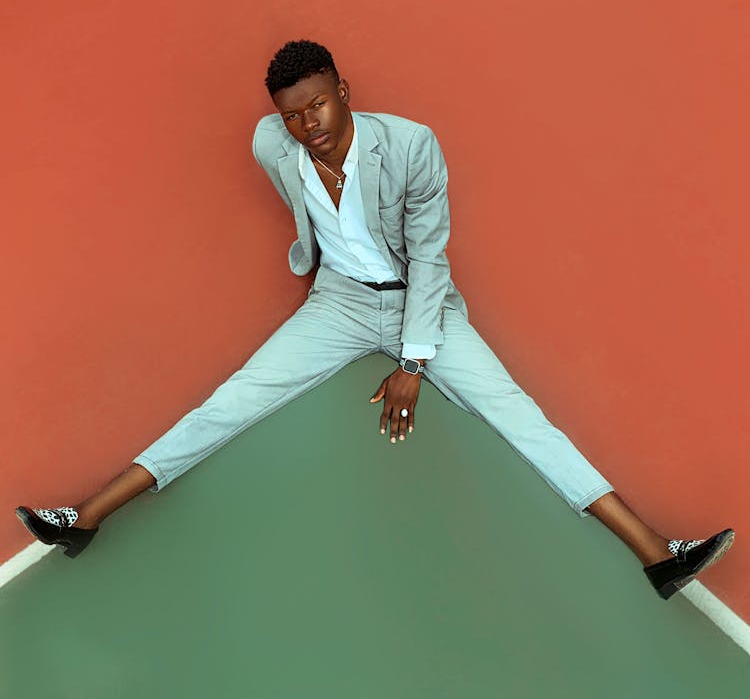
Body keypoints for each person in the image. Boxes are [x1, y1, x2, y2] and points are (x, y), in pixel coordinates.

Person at [16, 39, 734, 600]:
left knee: (520, 416)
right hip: (337, 303)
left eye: (319, 107)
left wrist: (413, 364)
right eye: (294, 114)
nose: (308, 126)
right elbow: (281, 146)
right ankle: (84, 517)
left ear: (344, 94)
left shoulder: (412, 145)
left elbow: (430, 257)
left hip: (422, 304)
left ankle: (654, 553)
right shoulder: (276, 144)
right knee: (229, 402)